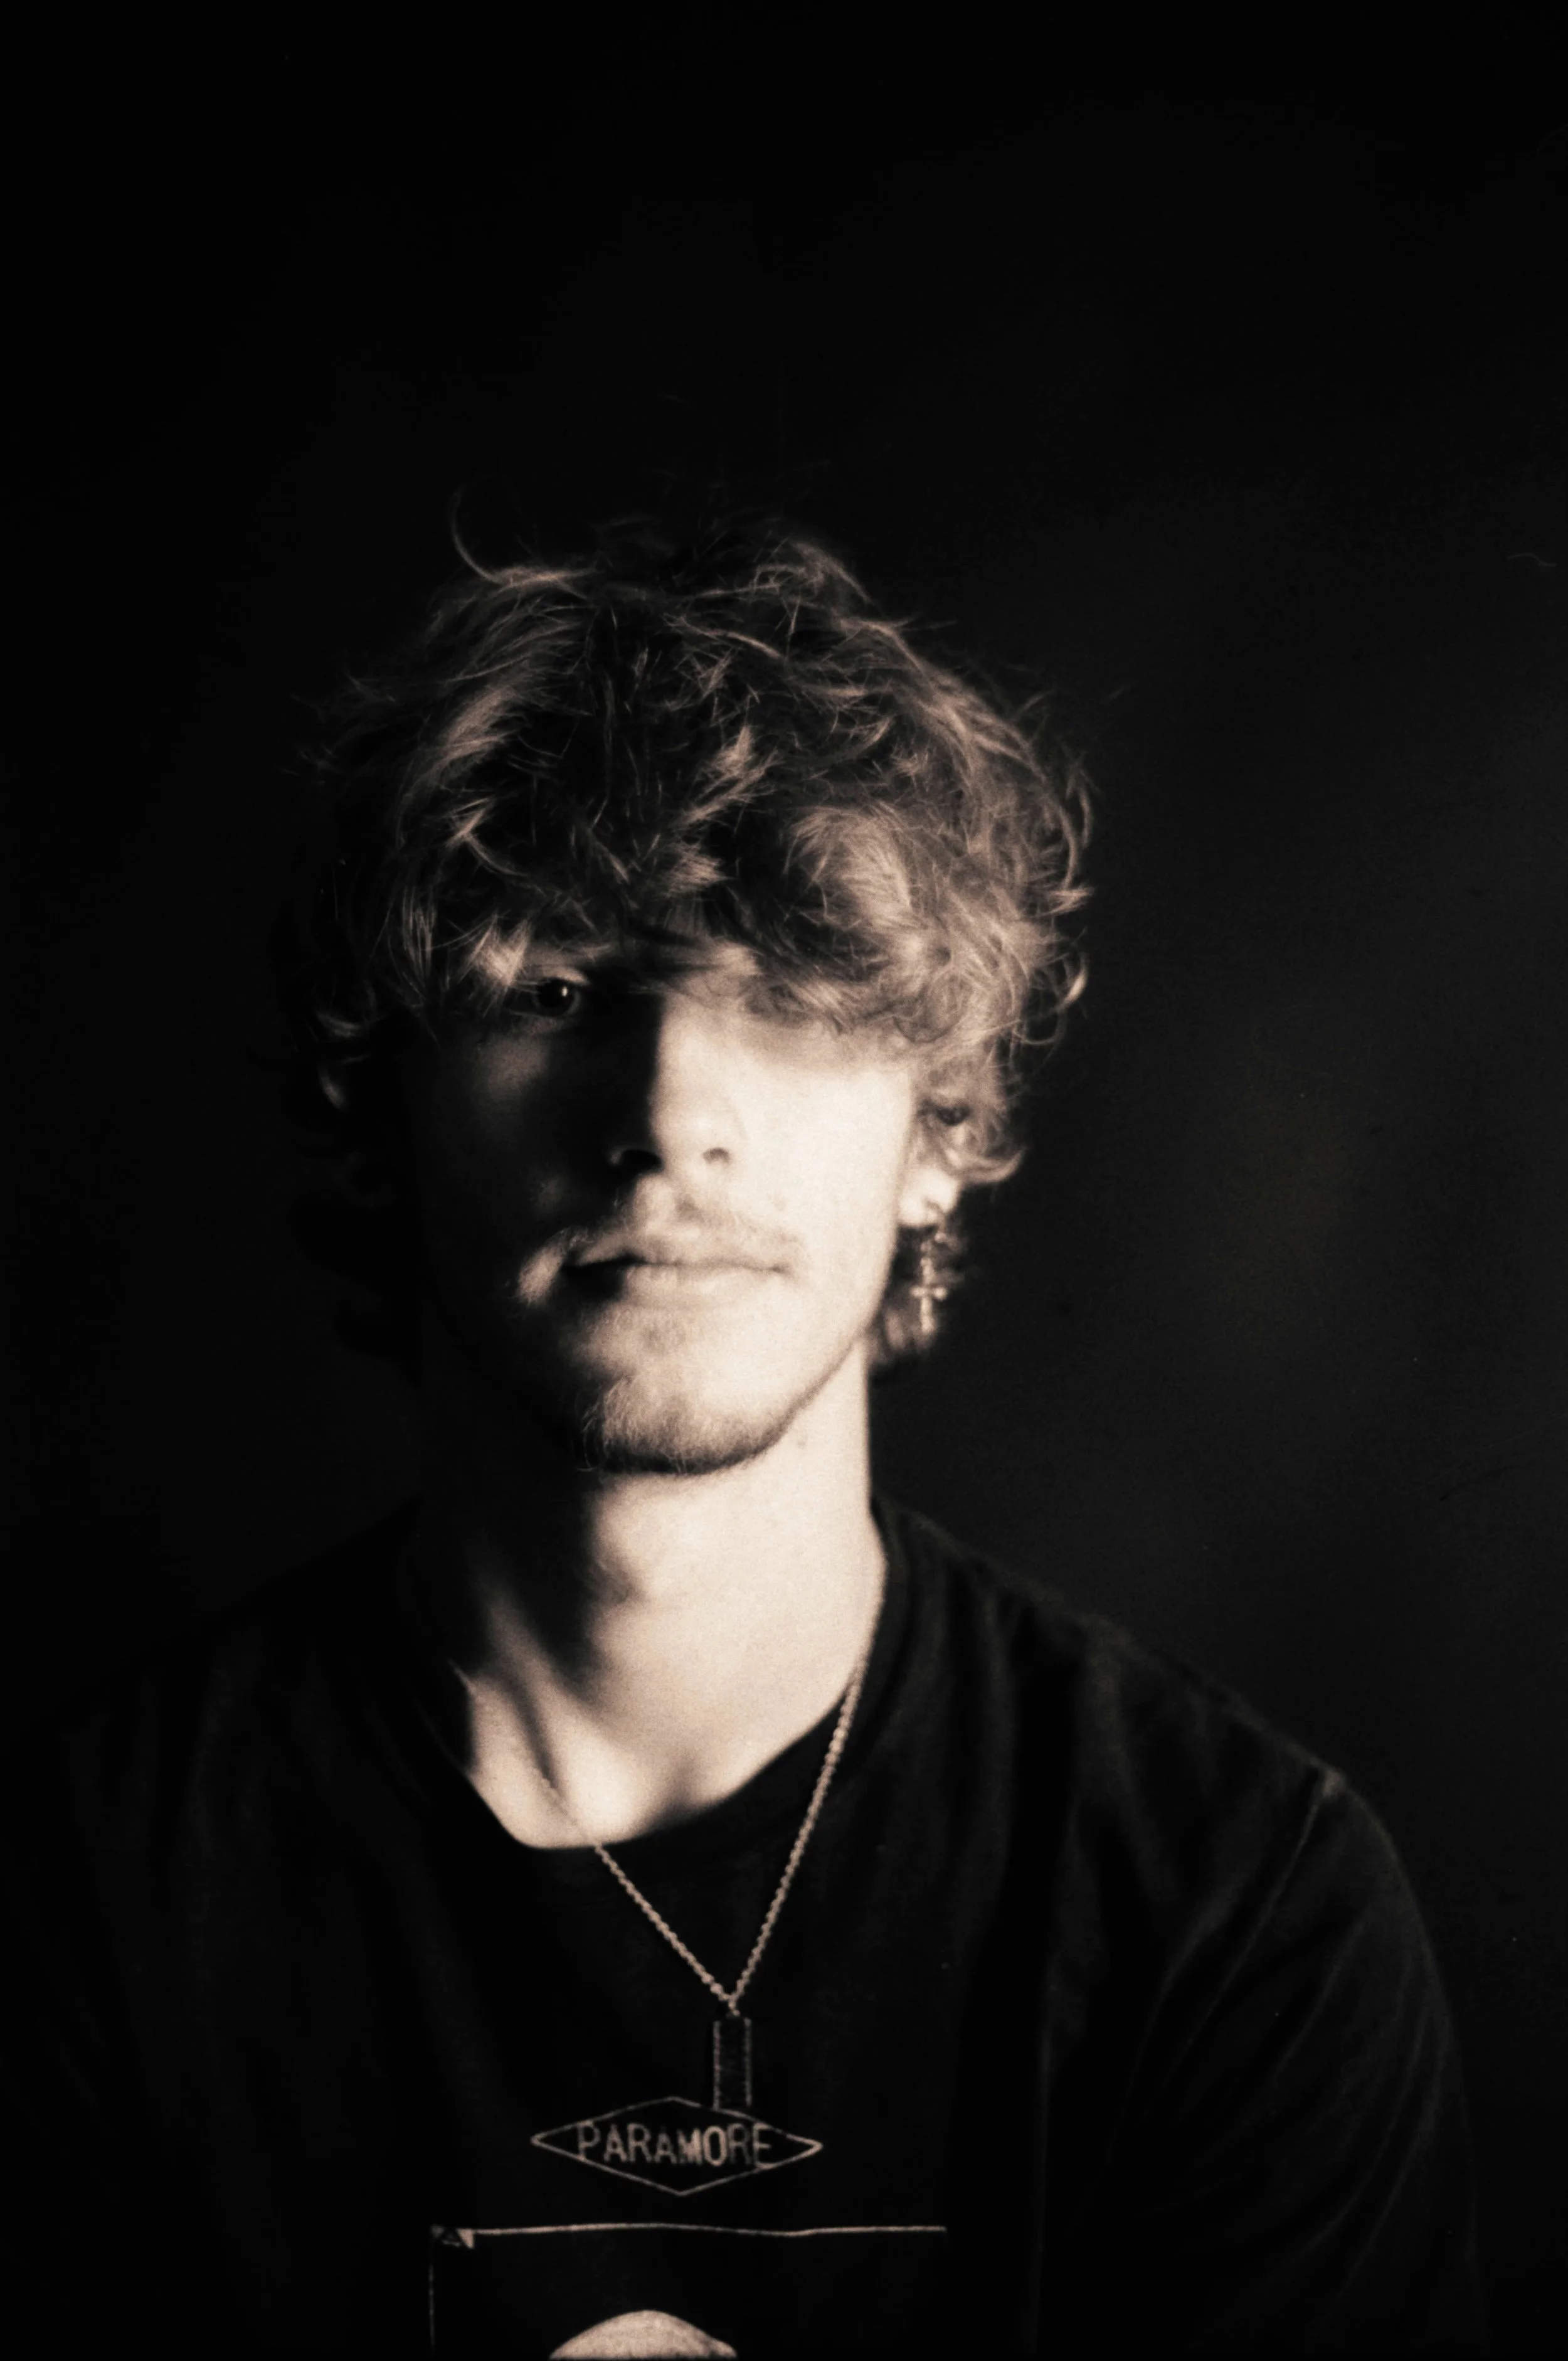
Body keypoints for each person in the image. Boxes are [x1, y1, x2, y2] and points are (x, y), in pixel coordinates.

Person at [4, 521, 1485, 2357]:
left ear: (936, 1124)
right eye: (552, 989)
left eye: (787, 997)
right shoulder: (84, 1914)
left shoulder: (1229, 1912)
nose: (665, 1111)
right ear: (383, 1114)